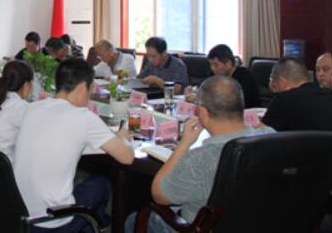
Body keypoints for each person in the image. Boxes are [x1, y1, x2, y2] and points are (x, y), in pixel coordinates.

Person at [124, 76, 274, 233]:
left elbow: (159, 195)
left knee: (133, 221)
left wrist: (183, 144)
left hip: (200, 227)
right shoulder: (271, 136)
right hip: (257, 223)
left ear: (202, 112)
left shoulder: (200, 158)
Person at [14, 58, 134, 232]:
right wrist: (123, 137)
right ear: (83, 87)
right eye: (91, 89)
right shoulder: (83, 117)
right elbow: (127, 158)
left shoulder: (33, 108)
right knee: (101, 184)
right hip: (53, 223)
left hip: (19, 217)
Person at [262, 57, 332, 131]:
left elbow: (262, 134)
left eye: (275, 87)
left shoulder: (282, 100)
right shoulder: (329, 95)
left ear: (282, 82)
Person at [198, 44, 260, 108]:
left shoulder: (245, 77)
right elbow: (203, 90)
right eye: (211, 64)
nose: (212, 68)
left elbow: (235, 102)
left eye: (216, 65)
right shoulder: (214, 74)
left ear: (229, 63)